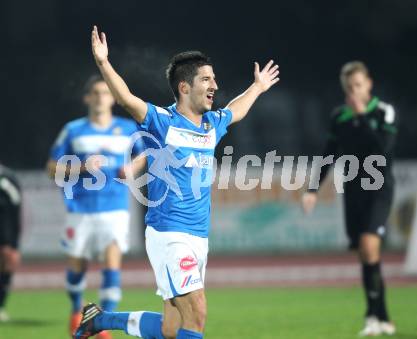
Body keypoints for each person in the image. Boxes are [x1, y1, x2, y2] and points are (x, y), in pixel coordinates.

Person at [73, 26, 280, 339]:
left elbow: (235, 111)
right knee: (197, 312)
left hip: (199, 237)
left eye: (214, 78)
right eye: (206, 79)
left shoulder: (212, 123)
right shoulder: (163, 122)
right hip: (169, 233)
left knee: (171, 328)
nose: (215, 85)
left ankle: (99, 320)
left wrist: (258, 87)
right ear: (185, 87)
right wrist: (103, 63)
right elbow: (127, 99)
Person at [302, 61, 397, 336]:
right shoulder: (339, 117)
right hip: (353, 192)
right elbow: (329, 153)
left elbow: (384, 148)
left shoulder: (383, 112)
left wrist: (363, 117)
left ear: (369, 83)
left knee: (369, 246)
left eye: (357, 85)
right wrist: (312, 190)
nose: (353, 90)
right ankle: (382, 317)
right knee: (368, 256)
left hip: (379, 190)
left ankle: (371, 315)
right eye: (348, 87)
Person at [47, 74, 145, 339]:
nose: (101, 98)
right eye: (96, 93)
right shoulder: (73, 129)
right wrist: (81, 167)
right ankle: (76, 310)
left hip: (115, 207)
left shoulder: (127, 129)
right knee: (77, 265)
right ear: (87, 98)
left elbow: (145, 155)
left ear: (113, 98)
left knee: (112, 262)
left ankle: (101, 322)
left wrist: (131, 168)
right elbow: (51, 167)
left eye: (106, 93)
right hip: (80, 208)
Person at [0, 164, 21, 322]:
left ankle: (0, 306)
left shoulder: (7, 179)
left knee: (7, 264)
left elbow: (16, 209)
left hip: (5, 233)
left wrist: (14, 242)